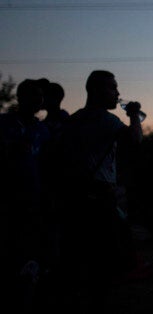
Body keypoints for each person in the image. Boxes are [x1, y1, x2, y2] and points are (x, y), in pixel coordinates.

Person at [47, 70, 143, 314]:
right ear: (97, 91)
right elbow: (135, 141)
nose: (118, 93)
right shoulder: (105, 120)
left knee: (76, 260)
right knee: (103, 262)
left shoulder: (74, 120)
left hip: (74, 197)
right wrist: (134, 115)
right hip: (99, 199)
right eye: (113, 88)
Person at [0, 78, 51, 314]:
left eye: (41, 96)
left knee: (30, 257)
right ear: (20, 98)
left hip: (35, 201)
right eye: (34, 95)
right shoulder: (5, 124)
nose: (39, 100)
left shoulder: (42, 129)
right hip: (9, 201)